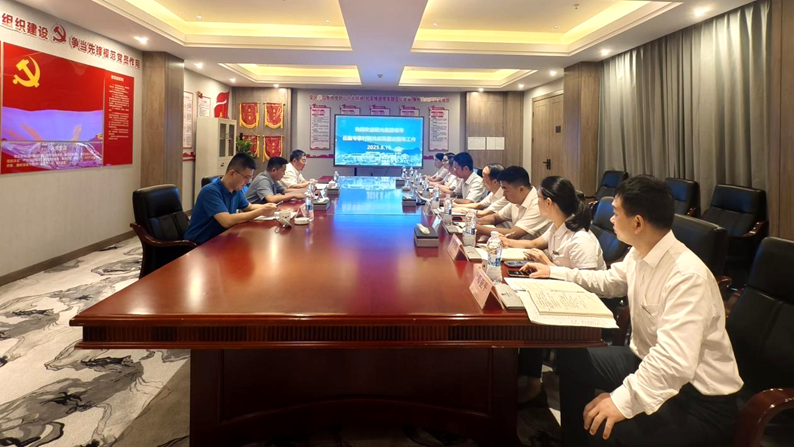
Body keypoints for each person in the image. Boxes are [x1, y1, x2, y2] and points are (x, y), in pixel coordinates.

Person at [523, 175, 743, 447]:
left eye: (616, 213)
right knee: (572, 358)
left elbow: (674, 363)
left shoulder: (687, 276)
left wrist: (621, 400)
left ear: (637, 223)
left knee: (604, 425)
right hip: (646, 360)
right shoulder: (640, 253)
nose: (611, 219)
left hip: (699, 399)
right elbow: (608, 281)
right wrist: (554, 272)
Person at [503, 176, 606, 406]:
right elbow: (534, 244)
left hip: (586, 303)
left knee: (532, 319)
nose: (536, 201)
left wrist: (549, 266)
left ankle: (533, 384)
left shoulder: (581, 240)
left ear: (549, 202)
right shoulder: (558, 225)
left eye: (538, 198)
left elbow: (588, 284)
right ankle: (520, 372)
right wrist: (505, 242)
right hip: (561, 288)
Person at [185, 153, 277, 245]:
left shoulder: (236, 189)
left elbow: (249, 207)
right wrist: (261, 211)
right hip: (200, 245)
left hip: (221, 239)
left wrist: (267, 206)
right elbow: (227, 221)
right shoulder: (210, 191)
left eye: (250, 178)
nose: (247, 182)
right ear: (232, 173)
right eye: (246, 177)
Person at [474, 166, 549, 240]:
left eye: (506, 190)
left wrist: (477, 227)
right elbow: (495, 217)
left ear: (521, 189)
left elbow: (513, 234)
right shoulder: (516, 200)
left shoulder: (538, 204)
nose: (503, 195)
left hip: (531, 247)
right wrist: (476, 222)